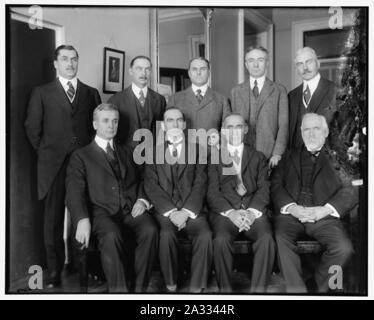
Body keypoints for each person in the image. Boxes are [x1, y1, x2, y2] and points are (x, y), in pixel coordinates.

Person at [25, 45, 101, 288]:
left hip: (82, 166)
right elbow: (32, 129)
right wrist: (49, 154)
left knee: (83, 217)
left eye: (74, 59)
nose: (70, 63)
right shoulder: (42, 92)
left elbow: (95, 130)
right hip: (53, 167)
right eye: (65, 59)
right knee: (53, 221)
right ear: (56, 64)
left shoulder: (91, 93)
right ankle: (55, 272)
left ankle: (85, 269)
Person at [66, 103, 158, 293]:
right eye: (105, 121)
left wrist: (142, 200)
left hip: (130, 209)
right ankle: (120, 293)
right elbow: (74, 192)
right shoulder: (81, 156)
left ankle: (139, 291)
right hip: (102, 212)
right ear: (94, 124)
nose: (111, 125)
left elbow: (143, 179)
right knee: (111, 235)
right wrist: (82, 220)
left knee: (150, 229)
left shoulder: (127, 152)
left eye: (114, 121)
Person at [271, 113, 356, 293]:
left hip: (323, 217)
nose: (311, 134)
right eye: (307, 129)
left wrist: (325, 210)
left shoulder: (339, 158)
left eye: (316, 129)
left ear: (325, 132)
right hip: (292, 216)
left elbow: (351, 189)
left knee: (343, 248)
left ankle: (318, 287)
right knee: (280, 238)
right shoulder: (288, 156)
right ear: (301, 132)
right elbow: (276, 185)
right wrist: (292, 208)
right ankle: (298, 291)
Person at [144, 108, 212, 293]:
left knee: (205, 235)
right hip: (166, 212)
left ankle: (198, 286)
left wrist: (186, 212)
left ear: (184, 124)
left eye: (178, 120)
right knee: (166, 235)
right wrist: (172, 212)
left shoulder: (198, 150)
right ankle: (171, 284)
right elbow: (151, 186)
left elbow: (201, 183)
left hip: (192, 210)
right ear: (164, 126)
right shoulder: (152, 152)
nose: (174, 124)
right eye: (170, 120)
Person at [207, 113, 275, 293]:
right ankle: (226, 293)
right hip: (226, 213)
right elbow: (212, 192)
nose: (234, 131)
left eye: (239, 126)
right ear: (223, 131)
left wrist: (252, 212)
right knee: (221, 240)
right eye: (230, 127)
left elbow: (264, 189)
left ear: (245, 129)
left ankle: (258, 292)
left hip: (253, 211)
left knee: (266, 238)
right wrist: (231, 213)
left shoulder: (258, 157)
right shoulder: (215, 157)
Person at [231, 46, 288, 168]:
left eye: (260, 60)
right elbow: (231, 126)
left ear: (267, 63)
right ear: (246, 64)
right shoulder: (236, 91)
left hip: (269, 157)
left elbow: (284, 125)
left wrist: (277, 153)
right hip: (242, 156)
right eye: (251, 61)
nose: (255, 65)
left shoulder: (279, 90)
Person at [108, 55, 166, 148]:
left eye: (147, 69)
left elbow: (161, 132)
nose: (143, 73)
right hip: (125, 158)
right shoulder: (115, 100)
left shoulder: (160, 100)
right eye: (139, 69)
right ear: (130, 71)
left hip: (153, 157)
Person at [288, 47, 336, 150]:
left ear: (318, 64)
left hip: (326, 160)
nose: (305, 68)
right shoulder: (291, 96)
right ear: (296, 69)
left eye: (309, 62)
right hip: (297, 162)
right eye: (300, 64)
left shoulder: (335, 91)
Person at [167, 57, 231, 134]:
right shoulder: (175, 99)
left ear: (209, 72)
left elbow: (227, 132)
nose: (198, 72)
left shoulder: (222, 100)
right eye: (194, 69)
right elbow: (168, 129)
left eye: (203, 69)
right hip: (184, 145)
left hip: (211, 145)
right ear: (189, 73)